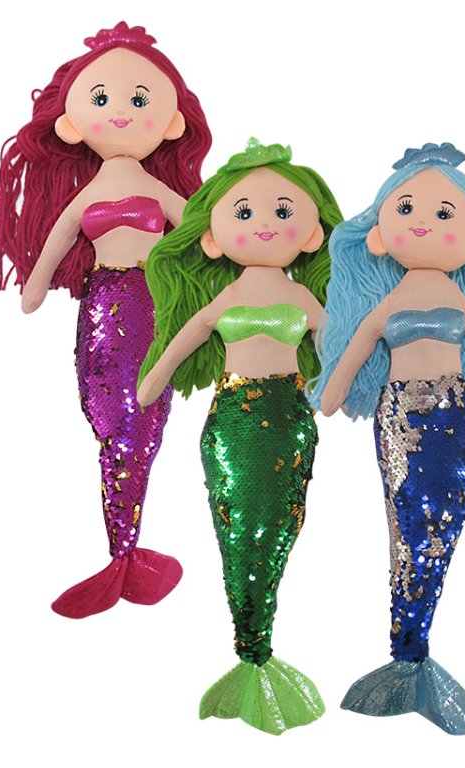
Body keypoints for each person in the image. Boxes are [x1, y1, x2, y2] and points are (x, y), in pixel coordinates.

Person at [0, 22, 211, 618]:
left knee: (145, 415)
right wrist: (35, 283)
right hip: (102, 307)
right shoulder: (88, 195)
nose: (120, 111)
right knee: (106, 410)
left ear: (170, 123)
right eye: (103, 98)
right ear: (71, 123)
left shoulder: (156, 189)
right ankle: (121, 549)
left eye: (139, 99)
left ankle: (128, 549)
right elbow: (59, 239)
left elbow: (199, 229)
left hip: (152, 304)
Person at [311, 143, 465, 734]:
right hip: (400, 418)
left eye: (444, 213)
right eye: (406, 210)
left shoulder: (460, 300)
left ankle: (415, 638)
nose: (424, 223)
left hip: (457, 415)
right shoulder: (387, 303)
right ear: (379, 236)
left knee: (450, 511)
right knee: (406, 519)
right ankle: (408, 648)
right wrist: (332, 390)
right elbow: (357, 349)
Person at [138, 139, 341, 735]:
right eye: (244, 213)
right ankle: (249, 644)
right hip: (230, 420)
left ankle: (260, 641)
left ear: (311, 235)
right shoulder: (224, 297)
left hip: (289, 419)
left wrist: (347, 385)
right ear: (211, 238)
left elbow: (339, 345)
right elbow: (182, 341)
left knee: (277, 529)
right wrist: (153, 379)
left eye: (283, 212)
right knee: (234, 528)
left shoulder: (302, 297)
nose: (262, 224)